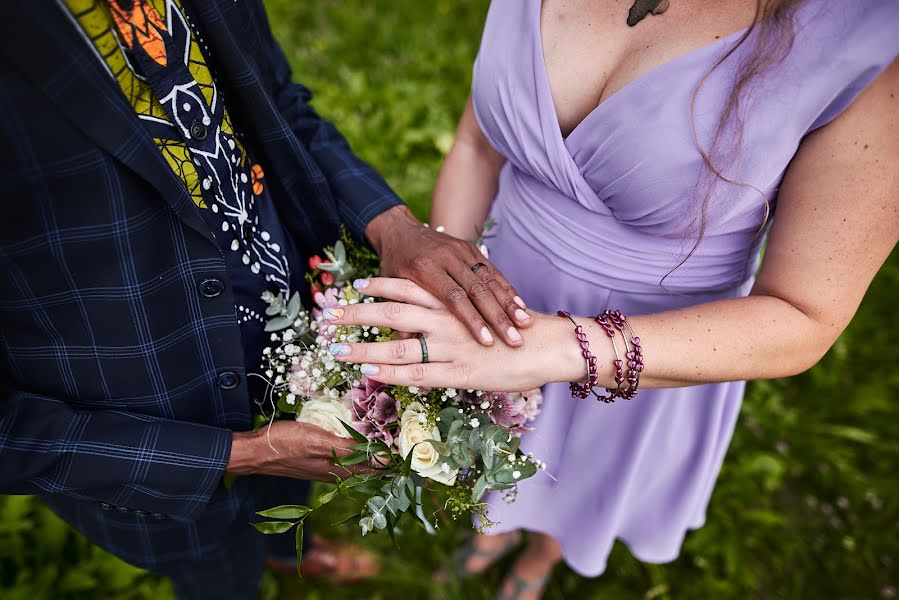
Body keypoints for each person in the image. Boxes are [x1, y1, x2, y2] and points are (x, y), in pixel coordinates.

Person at [322, 0, 899, 597]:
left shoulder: (870, 43)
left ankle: (542, 556)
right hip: (508, 263)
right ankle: (493, 532)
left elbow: (804, 315)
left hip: (653, 339)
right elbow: (477, 143)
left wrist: (556, 347)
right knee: (488, 448)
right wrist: (458, 286)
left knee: (581, 479)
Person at [0, 1, 531, 598]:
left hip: (286, 316)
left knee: (296, 467)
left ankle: (284, 545)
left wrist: (392, 225)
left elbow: (273, 98)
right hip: (147, 403)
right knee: (214, 563)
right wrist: (241, 454)